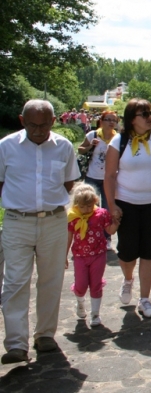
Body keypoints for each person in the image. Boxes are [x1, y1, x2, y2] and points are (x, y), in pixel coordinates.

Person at [0, 99, 81, 364]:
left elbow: (69, 182)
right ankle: (16, 344)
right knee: (14, 283)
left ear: (53, 121)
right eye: (33, 125)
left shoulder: (63, 147)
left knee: (50, 280)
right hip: (17, 221)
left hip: (54, 221)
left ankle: (45, 334)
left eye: (44, 125)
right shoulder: (6, 146)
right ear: (22, 121)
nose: (38, 130)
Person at [104, 98, 151, 319]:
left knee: (149, 251)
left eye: (150, 113)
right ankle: (128, 280)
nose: (149, 118)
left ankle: (144, 299)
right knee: (127, 253)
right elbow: (109, 176)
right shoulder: (119, 142)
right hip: (126, 203)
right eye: (143, 114)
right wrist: (111, 205)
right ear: (131, 119)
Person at [66, 183, 120, 327]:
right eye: (82, 207)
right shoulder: (73, 217)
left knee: (96, 284)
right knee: (81, 284)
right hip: (80, 256)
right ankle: (80, 302)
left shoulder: (100, 214)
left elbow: (110, 230)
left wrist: (116, 221)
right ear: (76, 204)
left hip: (98, 254)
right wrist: (64, 256)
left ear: (95, 201)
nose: (86, 210)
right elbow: (69, 237)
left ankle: (95, 314)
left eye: (89, 206)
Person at [77, 110, 119, 250]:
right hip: (92, 177)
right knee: (89, 207)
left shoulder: (117, 138)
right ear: (101, 121)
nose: (111, 122)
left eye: (114, 120)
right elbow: (80, 149)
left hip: (109, 179)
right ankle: (88, 235)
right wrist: (90, 146)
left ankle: (106, 238)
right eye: (108, 119)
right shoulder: (93, 135)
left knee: (107, 209)